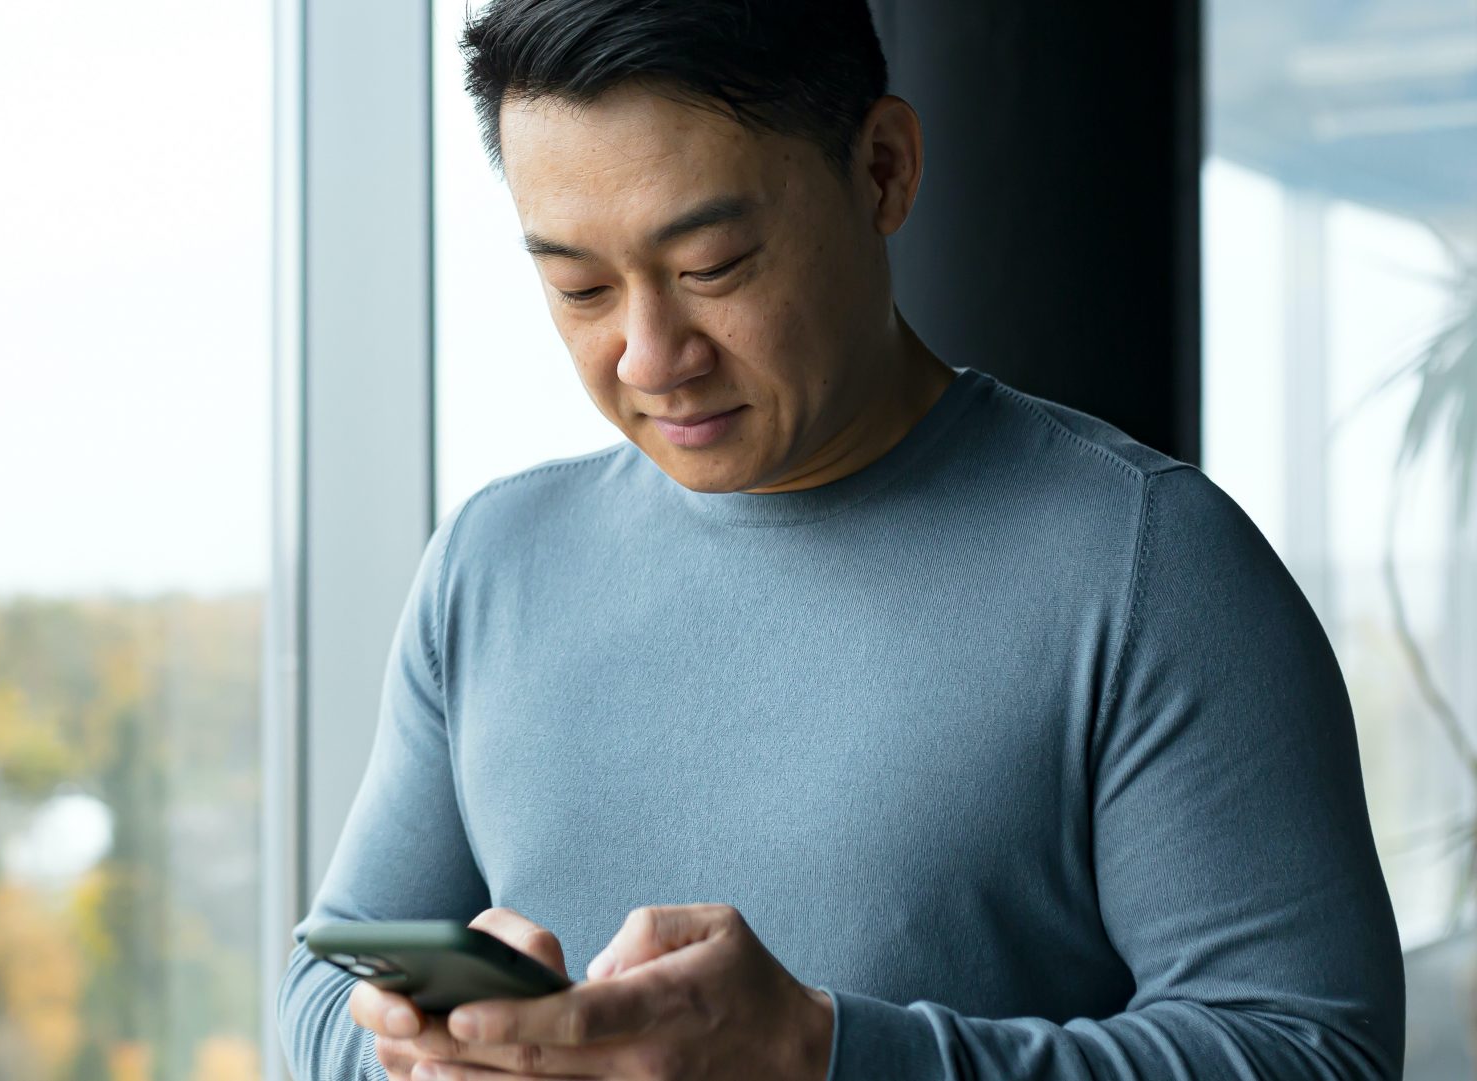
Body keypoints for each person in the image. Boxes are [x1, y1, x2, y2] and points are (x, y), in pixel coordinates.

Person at [275, 1, 1406, 1078]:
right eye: (579, 288)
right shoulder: (492, 561)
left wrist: (821, 1054)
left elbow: (1311, 1049)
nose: (648, 355)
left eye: (710, 269)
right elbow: (327, 979)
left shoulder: (1151, 564)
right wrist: (424, 1053)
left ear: (882, 170)